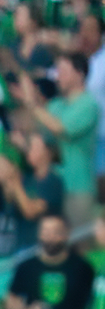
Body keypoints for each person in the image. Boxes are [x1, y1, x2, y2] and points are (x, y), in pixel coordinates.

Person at [21, 53, 100, 228]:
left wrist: (33, 105)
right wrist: (27, 91)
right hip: (54, 186)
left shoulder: (88, 105)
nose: (58, 75)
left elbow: (60, 128)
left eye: (63, 70)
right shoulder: (57, 104)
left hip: (78, 188)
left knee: (80, 243)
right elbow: (35, 126)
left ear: (79, 74)